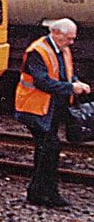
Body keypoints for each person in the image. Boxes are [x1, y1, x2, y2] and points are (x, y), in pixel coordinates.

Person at [14, 18, 90, 208]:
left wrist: (76, 82)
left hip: (50, 108)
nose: (72, 42)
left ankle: (38, 191)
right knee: (50, 147)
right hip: (34, 108)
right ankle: (47, 193)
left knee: (47, 149)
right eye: (69, 38)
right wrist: (71, 87)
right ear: (56, 33)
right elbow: (42, 82)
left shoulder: (62, 48)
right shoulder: (37, 51)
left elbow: (67, 72)